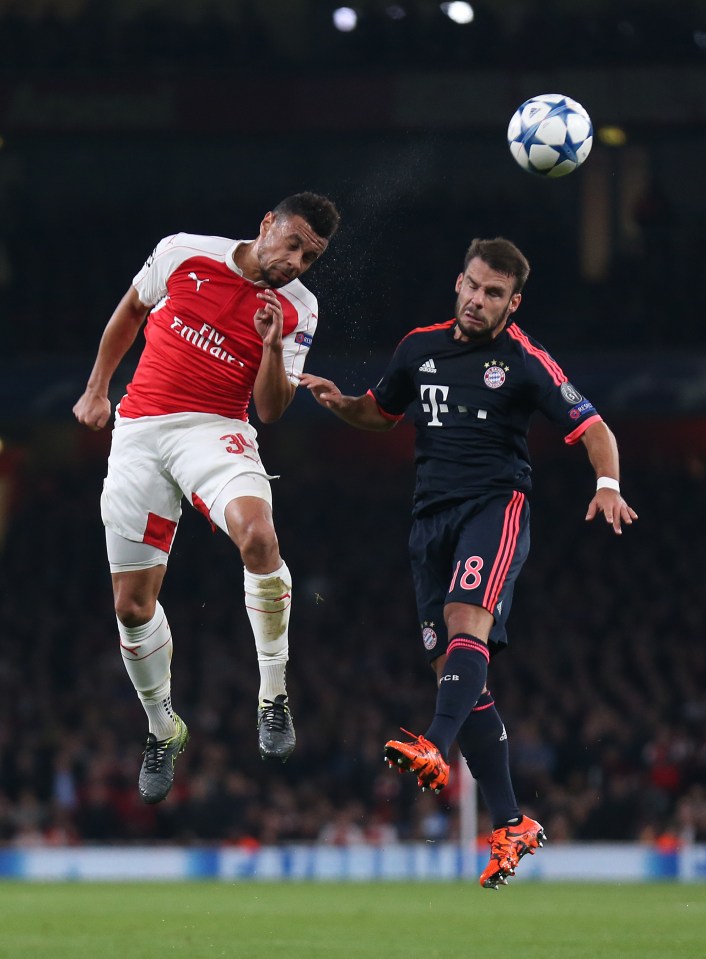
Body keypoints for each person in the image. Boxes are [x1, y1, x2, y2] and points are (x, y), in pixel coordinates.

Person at [300, 236, 637, 889]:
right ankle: (512, 821)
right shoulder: (418, 347)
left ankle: (434, 741)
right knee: (457, 670)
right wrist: (342, 403)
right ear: (459, 282)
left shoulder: (524, 361)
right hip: (429, 520)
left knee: (465, 619)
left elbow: (593, 427)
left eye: (494, 294)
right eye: (474, 286)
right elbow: (381, 410)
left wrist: (608, 483)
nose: (479, 300)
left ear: (514, 303)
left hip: (494, 505)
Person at [73, 192, 341, 805]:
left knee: (259, 536)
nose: (298, 260)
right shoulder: (183, 253)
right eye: (293, 243)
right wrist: (96, 389)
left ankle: (272, 694)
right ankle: (162, 728)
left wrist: (272, 345)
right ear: (266, 224)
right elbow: (131, 311)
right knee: (132, 607)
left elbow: (271, 410)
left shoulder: (299, 307)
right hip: (140, 430)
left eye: (312, 255)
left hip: (215, 431)